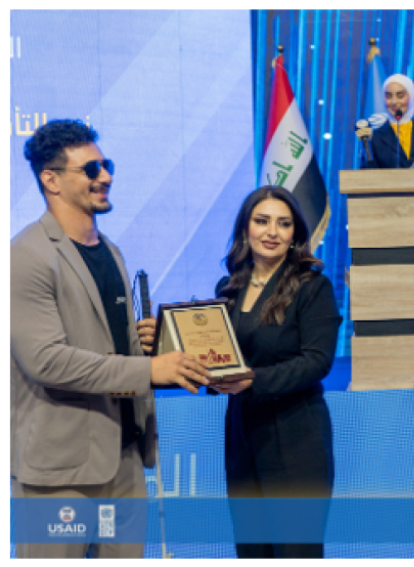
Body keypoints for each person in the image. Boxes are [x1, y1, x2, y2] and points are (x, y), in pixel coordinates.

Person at [11, 119, 213, 558]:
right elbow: (46, 361)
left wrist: (150, 347)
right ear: (51, 180)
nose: (106, 176)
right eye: (91, 169)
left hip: (124, 460)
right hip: (60, 472)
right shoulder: (24, 256)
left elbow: (112, 352)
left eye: (107, 165)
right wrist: (149, 368)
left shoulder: (113, 251)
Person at [141, 186, 342, 557]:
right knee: (251, 550)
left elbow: (317, 361)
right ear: (245, 228)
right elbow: (215, 356)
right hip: (242, 434)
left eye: (283, 224)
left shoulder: (313, 286)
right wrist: (162, 342)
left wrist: (254, 380)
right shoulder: (229, 286)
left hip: (296, 437)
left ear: (295, 233)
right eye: (262, 221)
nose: (272, 232)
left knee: (295, 552)